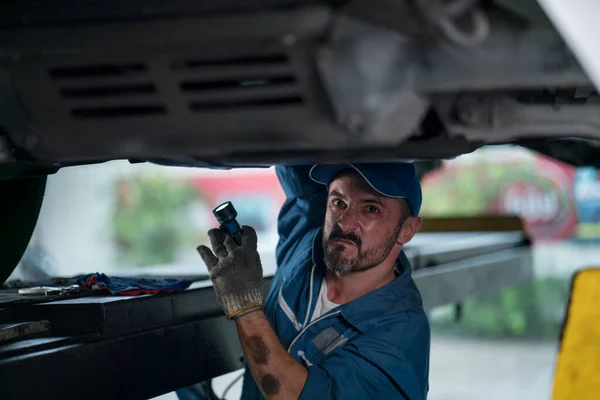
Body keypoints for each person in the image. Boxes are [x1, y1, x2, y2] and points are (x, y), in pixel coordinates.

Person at [197, 163, 430, 400]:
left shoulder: (399, 336)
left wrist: (245, 306)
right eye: (338, 202)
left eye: (371, 209)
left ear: (407, 229)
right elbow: (295, 166)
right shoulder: (307, 240)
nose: (345, 223)